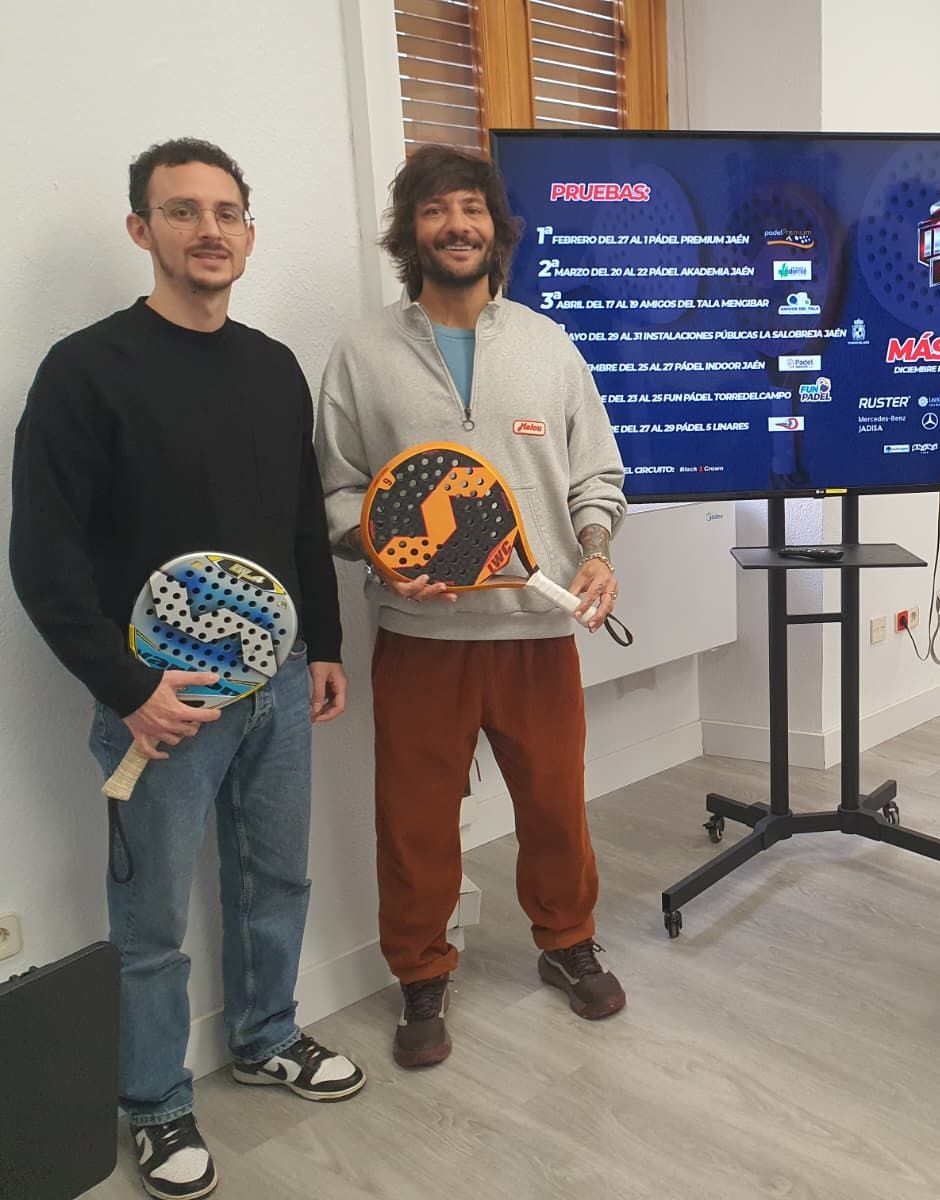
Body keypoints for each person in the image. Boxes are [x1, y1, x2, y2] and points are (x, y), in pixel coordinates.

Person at [9, 138, 365, 1200]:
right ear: (142, 230)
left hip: (280, 692)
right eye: (181, 212)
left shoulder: (271, 366)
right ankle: (156, 1104)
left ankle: (263, 1038)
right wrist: (128, 692)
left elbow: (300, 522)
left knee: (277, 882)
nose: (208, 230)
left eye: (226, 212)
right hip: (158, 706)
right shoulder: (85, 370)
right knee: (151, 922)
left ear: (248, 233)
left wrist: (329, 647)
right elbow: (43, 556)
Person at [316, 146, 628, 1071]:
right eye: (435, 210)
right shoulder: (361, 354)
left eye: (472, 208)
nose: (456, 225)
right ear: (409, 232)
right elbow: (338, 494)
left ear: (497, 227)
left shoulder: (547, 344)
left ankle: (566, 942)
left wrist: (599, 551)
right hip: (421, 639)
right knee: (413, 820)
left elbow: (595, 475)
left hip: (536, 632)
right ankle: (420, 972)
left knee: (556, 808)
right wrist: (380, 550)